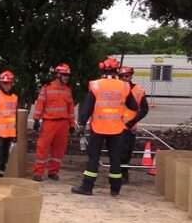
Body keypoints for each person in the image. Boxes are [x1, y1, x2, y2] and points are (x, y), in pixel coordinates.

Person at [72, 58, 139, 196]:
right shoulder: (124, 86)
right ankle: (115, 189)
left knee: (94, 158)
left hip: (98, 128)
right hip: (117, 129)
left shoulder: (96, 85)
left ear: (102, 69)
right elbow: (134, 106)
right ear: (117, 70)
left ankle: (87, 187)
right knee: (115, 158)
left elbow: (87, 107)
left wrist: (82, 124)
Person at [31, 64, 75, 181]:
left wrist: (71, 124)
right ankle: (38, 173)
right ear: (58, 75)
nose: (67, 77)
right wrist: (36, 119)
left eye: (68, 75)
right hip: (49, 122)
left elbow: (70, 109)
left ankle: (53, 172)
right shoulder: (47, 88)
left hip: (63, 124)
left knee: (59, 149)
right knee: (42, 147)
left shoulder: (67, 90)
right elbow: (40, 104)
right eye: (65, 75)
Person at [117, 66, 149, 184]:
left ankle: (124, 174)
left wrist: (133, 121)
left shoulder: (138, 90)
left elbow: (144, 109)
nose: (124, 78)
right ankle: (116, 173)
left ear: (131, 76)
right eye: (121, 77)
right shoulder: (115, 88)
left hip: (129, 126)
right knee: (115, 151)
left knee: (126, 152)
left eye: (127, 76)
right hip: (115, 125)